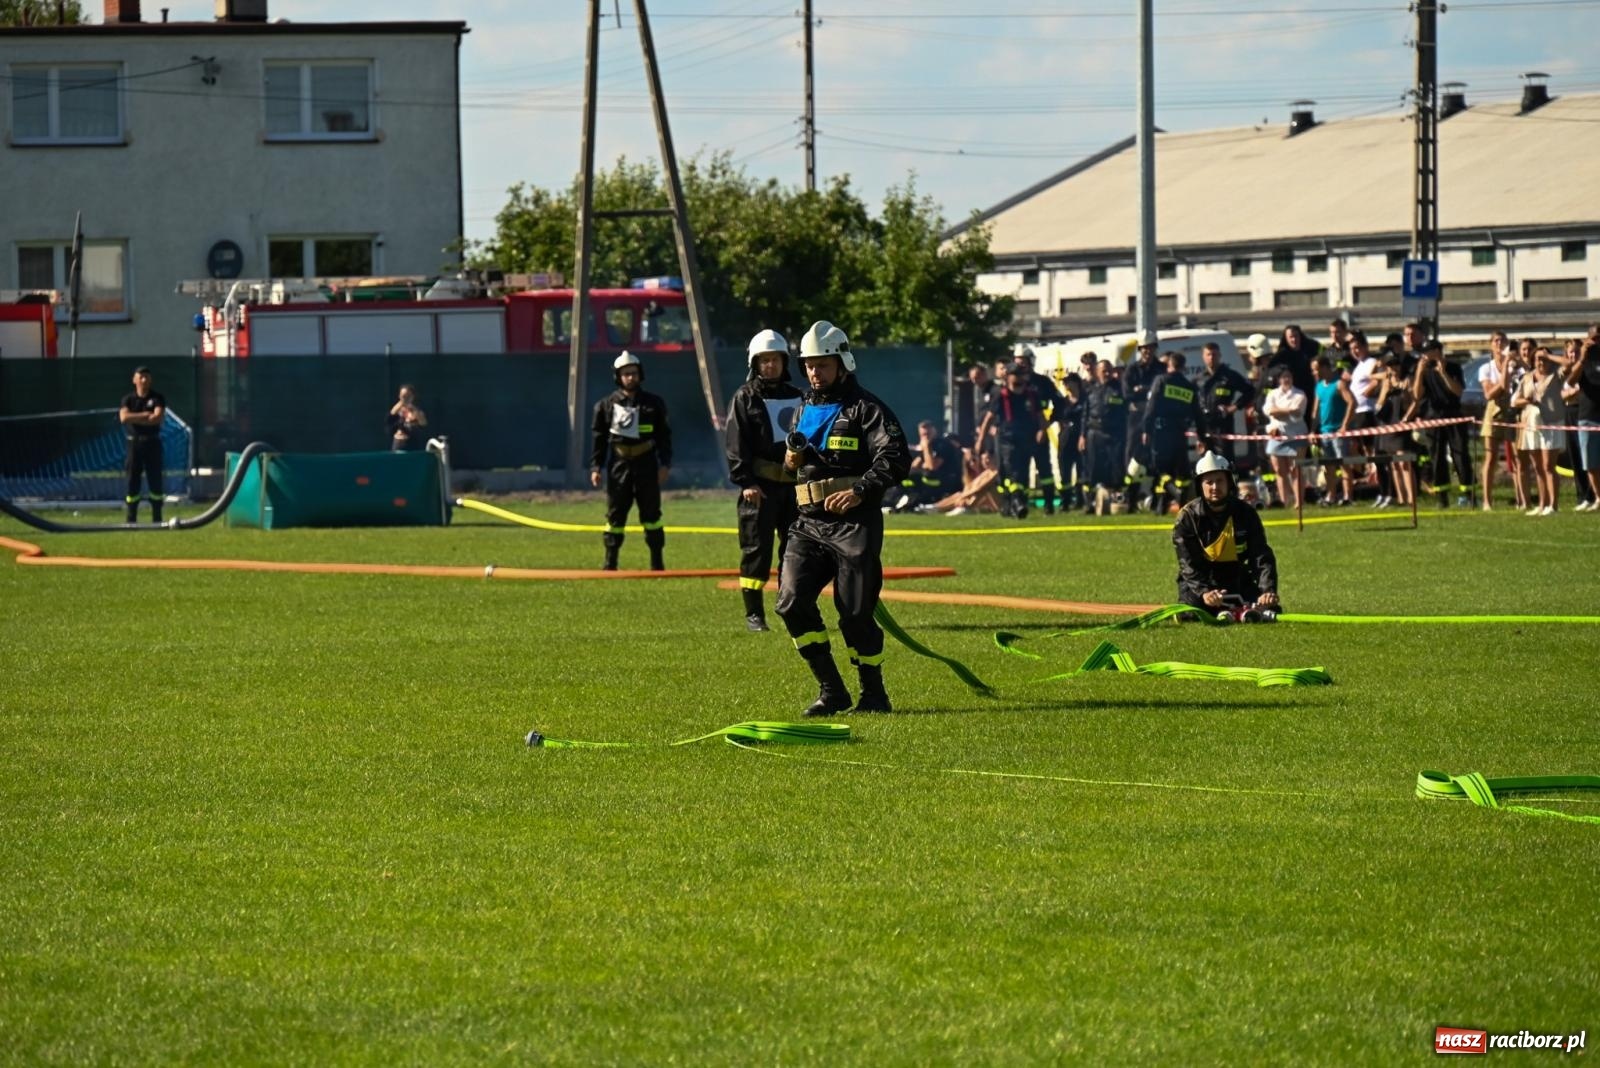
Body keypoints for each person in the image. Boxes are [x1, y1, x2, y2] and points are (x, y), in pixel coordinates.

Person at [775, 320, 911, 717]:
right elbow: (791, 469)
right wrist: (789, 461)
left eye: (823, 364)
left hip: (855, 525)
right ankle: (831, 690)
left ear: (842, 363)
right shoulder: (801, 408)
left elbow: (896, 458)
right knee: (790, 603)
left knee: (854, 614)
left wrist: (859, 491)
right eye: (809, 365)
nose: (815, 373)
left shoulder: (867, 409)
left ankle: (874, 696)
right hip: (808, 524)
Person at [725, 329, 804, 631]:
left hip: (795, 488)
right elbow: (736, 443)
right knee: (756, 549)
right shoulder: (745, 397)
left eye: (775, 359)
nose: (770, 365)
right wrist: (745, 481)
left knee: (795, 550)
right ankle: (754, 614)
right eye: (764, 360)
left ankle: (790, 606)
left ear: (785, 362)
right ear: (754, 363)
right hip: (759, 489)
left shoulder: (801, 397)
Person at [590, 351, 672, 571]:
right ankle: (610, 563)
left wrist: (665, 464)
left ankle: (657, 563)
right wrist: (596, 467)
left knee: (651, 514)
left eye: (633, 373)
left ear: (640, 374)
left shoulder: (654, 404)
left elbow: (664, 437)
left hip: (647, 463)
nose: (630, 378)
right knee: (615, 514)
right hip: (618, 464)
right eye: (625, 374)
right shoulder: (605, 406)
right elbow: (599, 440)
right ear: (618, 376)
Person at [1172, 451, 1280, 616]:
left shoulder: (1246, 513)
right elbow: (1187, 564)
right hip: (1199, 583)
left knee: (1269, 609)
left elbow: (1261, 555)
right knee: (1193, 613)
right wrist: (1205, 592)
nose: (1215, 487)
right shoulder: (1187, 517)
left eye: (1220, 481)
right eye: (1209, 482)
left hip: (1236, 578)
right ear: (1199, 485)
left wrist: (1267, 590)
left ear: (1230, 482)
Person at [974, 362, 1047, 519]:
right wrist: (981, 440)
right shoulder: (1001, 396)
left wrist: (1042, 430)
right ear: (1008, 377)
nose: (1020, 378)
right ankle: (1014, 502)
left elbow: (1041, 415)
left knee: (1022, 472)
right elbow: (989, 419)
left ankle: (1017, 502)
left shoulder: (1031, 395)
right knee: (1010, 471)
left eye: (1021, 375)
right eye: (1016, 375)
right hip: (1006, 440)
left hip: (1026, 438)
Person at [1410, 339, 1473, 508]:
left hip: (1453, 416)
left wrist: (1443, 373)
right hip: (1433, 418)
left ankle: (1467, 493)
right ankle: (1442, 496)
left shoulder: (1453, 367)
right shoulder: (1423, 370)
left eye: (1429, 351)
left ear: (1438, 351)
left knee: (1460, 454)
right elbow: (1416, 395)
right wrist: (1419, 373)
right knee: (1437, 457)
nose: (1426, 355)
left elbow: (1458, 391)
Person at [1141, 350, 1206, 513]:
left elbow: (1151, 407)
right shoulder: (1189, 386)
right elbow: (1198, 414)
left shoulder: (1161, 380)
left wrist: (1146, 429)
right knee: (1178, 470)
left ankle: (1175, 494)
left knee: (1161, 469)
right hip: (1180, 433)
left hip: (1161, 431)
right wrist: (1201, 436)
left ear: (1169, 365)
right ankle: (1162, 505)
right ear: (1183, 367)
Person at [1512, 346, 1566, 516]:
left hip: (1551, 424)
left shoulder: (1556, 375)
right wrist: (1527, 401)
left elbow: (1570, 363)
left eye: (1544, 359)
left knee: (1549, 466)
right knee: (1538, 467)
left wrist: (1550, 355)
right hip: (1532, 424)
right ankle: (1542, 504)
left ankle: (1553, 505)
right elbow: (1515, 400)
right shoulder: (1527, 377)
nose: (1541, 362)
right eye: (1538, 359)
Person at [1346, 331, 1393, 508]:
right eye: (1352, 349)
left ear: (1365, 347)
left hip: (1368, 411)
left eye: (1358, 347)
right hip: (1358, 412)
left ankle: (1387, 491)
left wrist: (1368, 391)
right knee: (1369, 454)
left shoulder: (1371, 362)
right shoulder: (1359, 365)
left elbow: (1378, 378)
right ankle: (1381, 490)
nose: (1355, 351)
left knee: (1376, 454)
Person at [1016, 348, 1065, 514]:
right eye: (1017, 361)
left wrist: (1050, 422)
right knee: (1020, 470)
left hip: (1039, 430)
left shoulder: (1043, 382)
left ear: (1030, 361)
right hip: (1020, 432)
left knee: (1044, 469)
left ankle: (1049, 504)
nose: (1020, 365)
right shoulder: (1015, 383)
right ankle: (1020, 504)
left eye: (1023, 361)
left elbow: (1059, 401)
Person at [1077, 356, 1128, 511]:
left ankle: (1114, 503)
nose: (1106, 374)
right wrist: (1082, 435)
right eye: (1103, 371)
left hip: (1114, 434)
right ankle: (1089, 503)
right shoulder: (1090, 389)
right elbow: (1084, 415)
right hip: (1094, 433)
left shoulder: (1119, 389)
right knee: (1092, 468)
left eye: (1109, 371)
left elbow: (1125, 413)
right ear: (1097, 372)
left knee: (1115, 469)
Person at [119, 365, 166, 525]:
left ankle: (157, 517)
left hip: (152, 442)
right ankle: (131, 517)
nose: (144, 380)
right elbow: (124, 418)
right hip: (134, 443)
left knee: (155, 478)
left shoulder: (157, 398)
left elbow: (157, 417)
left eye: (147, 376)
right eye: (141, 377)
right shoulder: (128, 399)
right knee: (133, 478)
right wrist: (145, 415)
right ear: (134, 380)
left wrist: (136, 418)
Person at [1196, 341, 1254, 468]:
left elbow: (1250, 391)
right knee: (1206, 462)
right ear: (1203, 357)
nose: (1212, 357)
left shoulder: (1229, 376)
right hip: (1204, 426)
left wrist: (1234, 407)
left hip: (1223, 425)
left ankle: (1231, 486)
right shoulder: (1200, 379)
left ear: (1220, 356)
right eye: (1208, 354)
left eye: (1214, 355)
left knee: (1225, 461)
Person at [1477, 332, 1518, 511]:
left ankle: (1521, 499)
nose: (1499, 344)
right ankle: (1487, 500)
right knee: (1491, 457)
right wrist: (1504, 375)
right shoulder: (1486, 368)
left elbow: (1510, 388)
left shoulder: (1513, 366)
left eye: (1502, 341)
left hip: (1512, 410)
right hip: (1494, 412)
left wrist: (1509, 364)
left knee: (1517, 457)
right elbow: (1490, 393)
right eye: (1496, 341)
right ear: (1491, 345)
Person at [1122, 335, 1163, 508]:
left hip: (1155, 419)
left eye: (1150, 347)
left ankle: (1155, 498)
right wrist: (1149, 392)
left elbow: (1162, 391)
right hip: (1136, 420)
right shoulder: (1132, 370)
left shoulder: (1161, 368)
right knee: (1133, 458)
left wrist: (1142, 389)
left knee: (1155, 457)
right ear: (1140, 350)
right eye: (1144, 348)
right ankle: (1131, 498)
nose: (1147, 351)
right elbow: (1127, 394)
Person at [1261, 365, 1309, 510]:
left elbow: (1297, 413)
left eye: (1289, 376)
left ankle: (1299, 502)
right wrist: (1287, 411)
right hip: (1276, 435)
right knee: (1279, 470)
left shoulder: (1300, 394)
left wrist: (1279, 411)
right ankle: (1284, 500)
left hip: (1296, 435)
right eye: (1283, 377)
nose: (1286, 379)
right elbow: (1270, 411)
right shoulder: (1272, 394)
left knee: (1296, 469)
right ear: (1279, 379)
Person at [1310, 354, 1355, 506]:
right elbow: (1316, 411)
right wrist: (1313, 431)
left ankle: (1348, 496)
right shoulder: (1319, 386)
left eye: (1316, 370)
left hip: (1337, 431)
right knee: (1328, 466)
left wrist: (1344, 425)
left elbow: (1351, 402)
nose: (1314, 373)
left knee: (1344, 464)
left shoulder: (1339, 384)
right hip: (1324, 432)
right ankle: (1331, 495)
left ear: (1324, 368)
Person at [1564, 328, 1600, 511]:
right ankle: (1599, 497)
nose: (1596, 341)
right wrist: (1583, 357)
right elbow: (1570, 381)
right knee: (1590, 462)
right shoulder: (1583, 360)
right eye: (1593, 338)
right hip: (1587, 416)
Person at [895, 420, 964, 512]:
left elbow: (932, 467)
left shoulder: (942, 445)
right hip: (933, 479)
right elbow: (914, 466)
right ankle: (901, 500)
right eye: (923, 435)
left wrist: (926, 446)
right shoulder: (927, 446)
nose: (925, 437)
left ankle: (923, 502)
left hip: (948, 480)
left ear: (934, 431)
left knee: (927, 475)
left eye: (928, 434)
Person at [1268, 324, 1319, 399]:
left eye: (1296, 336)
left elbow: (1326, 353)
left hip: (1310, 391)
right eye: (1291, 337)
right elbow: (1270, 369)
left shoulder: (1311, 347)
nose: (1294, 339)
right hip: (1291, 395)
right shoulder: (1281, 355)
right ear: (1286, 338)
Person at [387, 384, 429, 452]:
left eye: (408, 396)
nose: (405, 399)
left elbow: (423, 423)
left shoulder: (418, 410)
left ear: (413, 396)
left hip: (413, 445)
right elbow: (390, 420)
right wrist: (401, 404)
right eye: (403, 396)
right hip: (398, 445)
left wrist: (412, 409)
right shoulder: (396, 411)